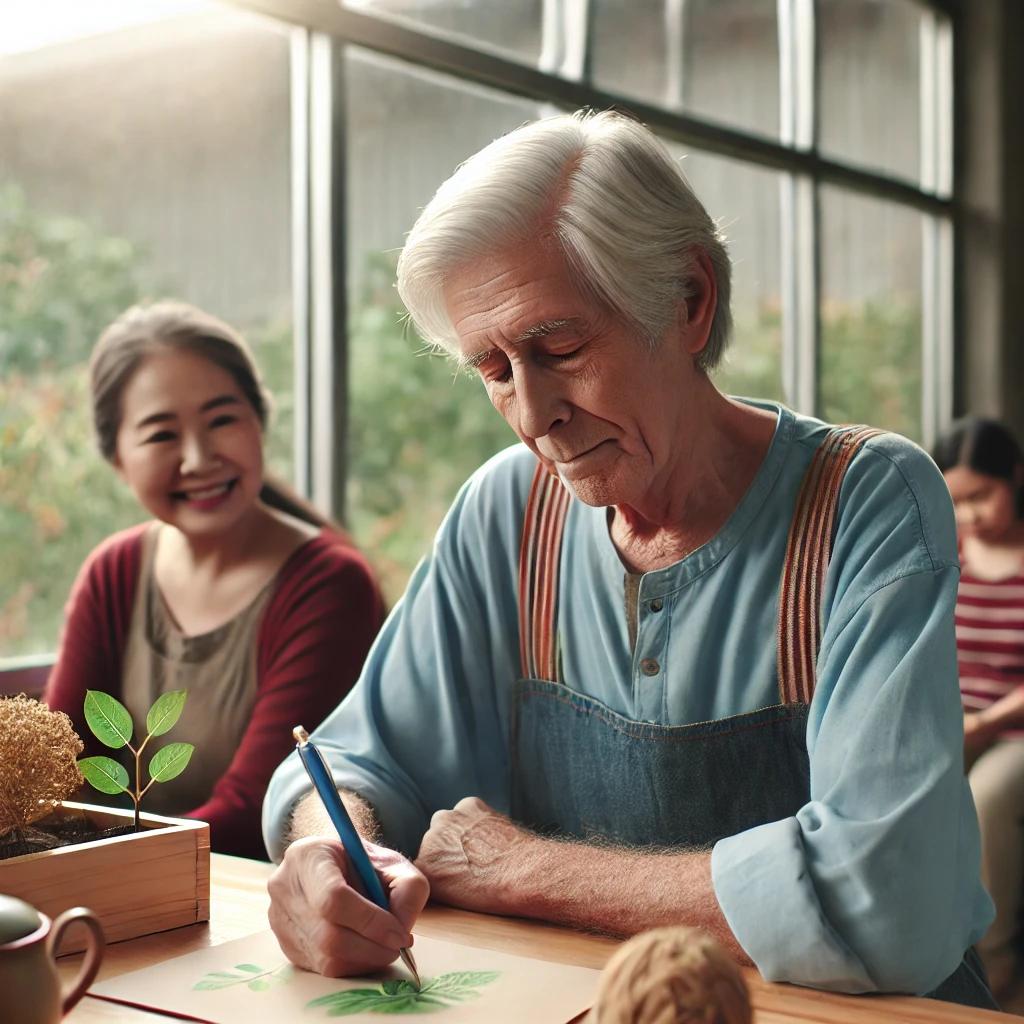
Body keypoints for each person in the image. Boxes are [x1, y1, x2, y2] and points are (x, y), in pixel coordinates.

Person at [261, 111, 995, 1004]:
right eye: (493, 370)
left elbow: (890, 903)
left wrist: (526, 869)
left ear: (689, 300)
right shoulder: (507, 512)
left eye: (558, 348)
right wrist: (329, 846)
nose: (531, 415)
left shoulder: (862, 501)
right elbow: (355, 761)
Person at [44, 301, 385, 860]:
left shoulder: (329, 584)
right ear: (116, 458)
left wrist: (92, 861)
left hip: (253, 906)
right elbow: (56, 768)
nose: (199, 458)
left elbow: (253, 809)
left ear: (260, 420)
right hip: (115, 894)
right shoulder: (114, 571)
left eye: (222, 419)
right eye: (161, 435)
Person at [933, 417, 1024, 999]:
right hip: (949, 718)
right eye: (957, 501)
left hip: (1012, 730)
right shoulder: (944, 549)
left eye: (982, 496)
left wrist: (986, 724)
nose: (968, 515)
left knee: (986, 796)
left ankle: (998, 978)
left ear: (1015, 478)